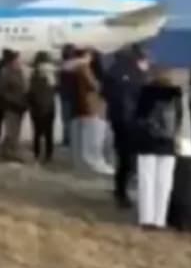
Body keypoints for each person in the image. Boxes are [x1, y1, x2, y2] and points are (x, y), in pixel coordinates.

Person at [133, 68, 183, 230]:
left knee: (146, 181)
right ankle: (160, 219)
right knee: (164, 183)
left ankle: (146, 219)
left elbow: (138, 119)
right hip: (167, 145)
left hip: (147, 143)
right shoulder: (176, 95)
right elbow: (180, 120)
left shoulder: (145, 94)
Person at [105, 46, 150, 208]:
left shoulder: (111, 71)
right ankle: (125, 192)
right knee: (131, 158)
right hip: (132, 120)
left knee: (123, 156)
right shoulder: (137, 73)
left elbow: (104, 93)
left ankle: (120, 190)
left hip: (116, 118)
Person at [74, 48, 113, 175]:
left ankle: (93, 159)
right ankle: (96, 161)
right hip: (93, 106)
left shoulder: (82, 68)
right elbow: (95, 86)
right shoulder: (84, 69)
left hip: (89, 106)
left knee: (92, 135)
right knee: (95, 136)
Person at [0, 49, 28, 162]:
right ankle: (15, 153)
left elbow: (24, 87)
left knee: (15, 130)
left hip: (20, 106)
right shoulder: (5, 72)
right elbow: (1, 90)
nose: (19, 61)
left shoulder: (20, 72)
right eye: (17, 60)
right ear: (11, 61)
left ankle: (4, 150)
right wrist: (9, 99)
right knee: (12, 131)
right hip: (10, 105)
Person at [28, 52, 57, 164]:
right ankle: (45, 154)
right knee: (46, 132)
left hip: (40, 108)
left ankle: (40, 154)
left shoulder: (37, 75)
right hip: (46, 108)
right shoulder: (47, 76)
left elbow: (31, 92)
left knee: (40, 132)